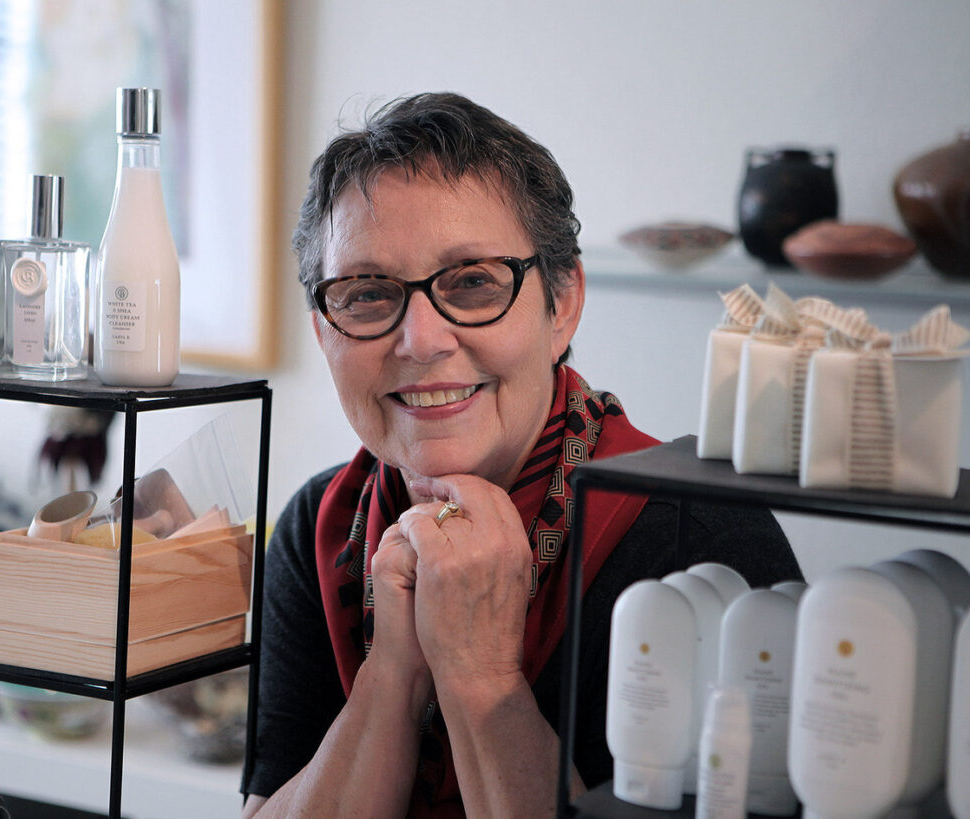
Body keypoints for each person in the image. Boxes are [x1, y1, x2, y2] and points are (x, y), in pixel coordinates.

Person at [241, 92, 801, 818]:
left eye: (472, 282)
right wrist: (395, 673)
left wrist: (479, 673)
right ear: (325, 332)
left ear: (562, 303)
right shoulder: (321, 527)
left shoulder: (700, 540)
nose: (421, 340)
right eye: (368, 293)